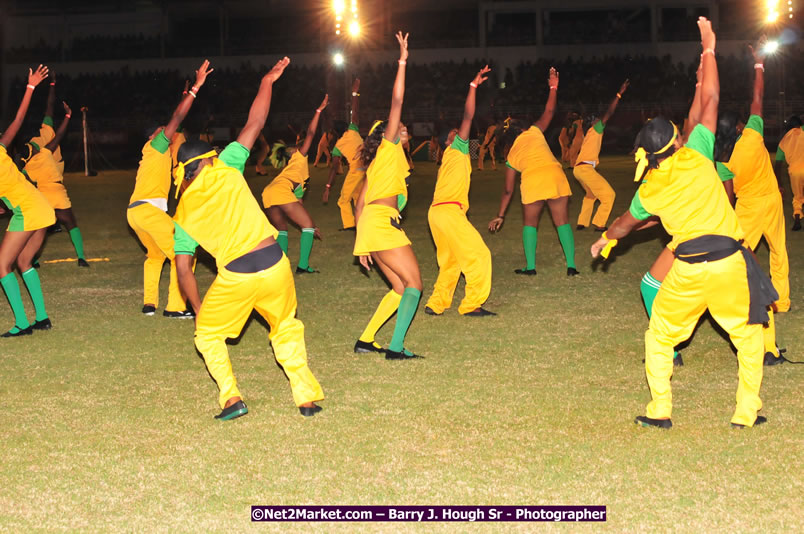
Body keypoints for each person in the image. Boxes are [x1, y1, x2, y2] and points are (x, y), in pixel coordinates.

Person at [591, 18, 771, 429]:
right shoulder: (698, 152)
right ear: (678, 140)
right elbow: (711, 99)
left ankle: (661, 410)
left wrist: (605, 239)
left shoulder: (650, 187)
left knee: (659, 337)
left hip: (688, 268)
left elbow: (622, 225)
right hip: (729, 263)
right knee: (748, 337)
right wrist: (708, 49)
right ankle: (745, 412)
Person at [173, 57, 324, 421]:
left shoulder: (182, 215)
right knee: (285, 326)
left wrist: (197, 312)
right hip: (275, 264)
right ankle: (305, 397)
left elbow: (183, 271)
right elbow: (255, 123)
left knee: (207, 336)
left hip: (237, 277)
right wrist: (267, 81)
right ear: (207, 161)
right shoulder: (226, 164)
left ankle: (231, 399)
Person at [352, 31, 423, 360]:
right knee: (414, 285)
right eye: (400, 127)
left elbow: (359, 202)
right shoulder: (389, 145)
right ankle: (396, 348)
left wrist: (361, 244)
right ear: (388, 133)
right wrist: (403, 60)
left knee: (398, 288)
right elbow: (397, 101)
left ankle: (367, 340)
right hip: (381, 224)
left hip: (372, 225)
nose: (404, 129)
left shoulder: (380, 164)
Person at [127, 59, 212, 317]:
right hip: (147, 212)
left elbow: (175, 121)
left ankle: (149, 303)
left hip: (135, 213)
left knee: (154, 257)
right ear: (155, 135)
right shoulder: (156, 146)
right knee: (182, 253)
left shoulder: (153, 153)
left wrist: (183, 95)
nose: (170, 132)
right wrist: (196, 88)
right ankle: (175, 307)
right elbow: (176, 118)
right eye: (164, 131)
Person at [715, 40, 790, 317]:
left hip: (747, 208)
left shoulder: (722, 159)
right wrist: (759, 63)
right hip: (771, 201)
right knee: (778, 252)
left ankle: (745, 297)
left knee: (741, 255)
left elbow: (728, 195)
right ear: (738, 126)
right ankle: (781, 302)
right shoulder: (753, 133)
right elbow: (757, 97)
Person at [488, 67, 578, 277]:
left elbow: (508, 191)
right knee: (562, 223)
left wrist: (500, 215)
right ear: (521, 128)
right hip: (555, 175)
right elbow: (549, 112)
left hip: (533, 181)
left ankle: (531, 267)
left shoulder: (511, 156)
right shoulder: (534, 131)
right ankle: (571, 266)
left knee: (530, 225)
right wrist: (553, 86)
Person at [424, 66, 494, 317]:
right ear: (448, 141)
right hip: (450, 213)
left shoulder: (449, 158)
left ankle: (436, 303)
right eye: (455, 134)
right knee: (480, 254)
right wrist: (473, 86)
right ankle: (472, 304)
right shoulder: (457, 149)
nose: (461, 133)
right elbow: (468, 116)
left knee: (451, 261)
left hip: (436, 214)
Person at [0, 65, 54, 337]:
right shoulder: (0, 149)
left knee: (2, 265)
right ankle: (42, 318)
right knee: (24, 262)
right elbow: (17, 121)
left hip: (29, 210)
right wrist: (30, 86)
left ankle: (22, 323)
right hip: (42, 205)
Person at [261, 95, 328, 273]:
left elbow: (297, 203)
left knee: (282, 229)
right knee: (306, 225)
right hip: (281, 191)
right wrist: (319, 111)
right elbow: (311, 134)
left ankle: (280, 268)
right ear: (295, 152)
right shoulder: (299, 158)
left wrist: (310, 223)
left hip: (268, 193)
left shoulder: (293, 170)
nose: (301, 147)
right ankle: (303, 266)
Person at [22, 101, 89, 267]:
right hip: (57, 191)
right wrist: (67, 116)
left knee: (40, 229)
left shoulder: (26, 167)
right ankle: (81, 257)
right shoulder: (44, 153)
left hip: (42, 195)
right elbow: (59, 135)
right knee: (71, 223)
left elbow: (25, 184)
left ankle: (33, 260)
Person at [574, 80, 629, 231]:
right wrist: (619, 94)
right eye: (597, 119)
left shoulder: (589, 133)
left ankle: (582, 222)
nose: (600, 120)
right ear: (594, 122)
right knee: (609, 195)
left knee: (591, 194)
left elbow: (588, 114)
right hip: (585, 169)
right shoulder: (596, 129)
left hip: (578, 170)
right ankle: (600, 224)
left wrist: (582, 106)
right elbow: (609, 113)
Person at [322, 78, 364, 231]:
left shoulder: (338, 146)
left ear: (335, 133)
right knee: (357, 197)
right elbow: (355, 111)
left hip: (355, 171)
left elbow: (334, 168)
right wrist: (354, 92)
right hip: (367, 169)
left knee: (343, 200)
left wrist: (327, 187)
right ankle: (363, 222)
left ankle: (349, 224)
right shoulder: (353, 130)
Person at [775, 114, 804, 230]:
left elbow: (778, 165)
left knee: (797, 197)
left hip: (794, 172)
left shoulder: (783, 141)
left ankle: (797, 218)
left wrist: (779, 183)